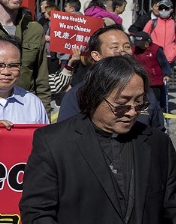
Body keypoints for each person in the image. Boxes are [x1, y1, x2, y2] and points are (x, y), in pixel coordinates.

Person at [20, 56, 176, 222]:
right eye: (121, 104)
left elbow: (171, 208)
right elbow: (37, 212)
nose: (131, 112)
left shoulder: (158, 142)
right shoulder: (54, 142)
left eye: (139, 103)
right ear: (95, 96)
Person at [57, 25, 165, 130]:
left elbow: (157, 130)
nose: (122, 51)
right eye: (115, 47)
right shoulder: (78, 94)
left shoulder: (144, 91)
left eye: (127, 46)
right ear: (96, 55)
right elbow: (65, 134)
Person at [131, 31, 172, 112]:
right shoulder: (134, 49)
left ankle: (159, 114)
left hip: (155, 81)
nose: (140, 46)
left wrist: (166, 74)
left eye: (142, 44)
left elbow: (164, 63)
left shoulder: (156, 49)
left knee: (156, 100)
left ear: (148, 41)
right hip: (141, 80)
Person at [144, 0, 176, 68]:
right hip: (154, 59)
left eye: (166, 8)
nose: (163, 11)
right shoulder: (152, 23)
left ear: (171, 10)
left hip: (169, 60)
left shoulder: (174, 24)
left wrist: (173, 53)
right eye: (161, 8)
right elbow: (143, 38)